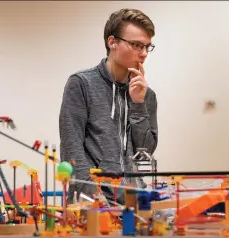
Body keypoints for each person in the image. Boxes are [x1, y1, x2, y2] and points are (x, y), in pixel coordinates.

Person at [59, 8, 158, 205]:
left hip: (133, 200)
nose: (144, 53)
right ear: (112, 42)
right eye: (137, 45)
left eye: (148, 46)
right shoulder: (81, 84)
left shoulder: (147, 95)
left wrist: (138, 104)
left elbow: (145, 152)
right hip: (92, 201)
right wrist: (93, 196)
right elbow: (71, 148)